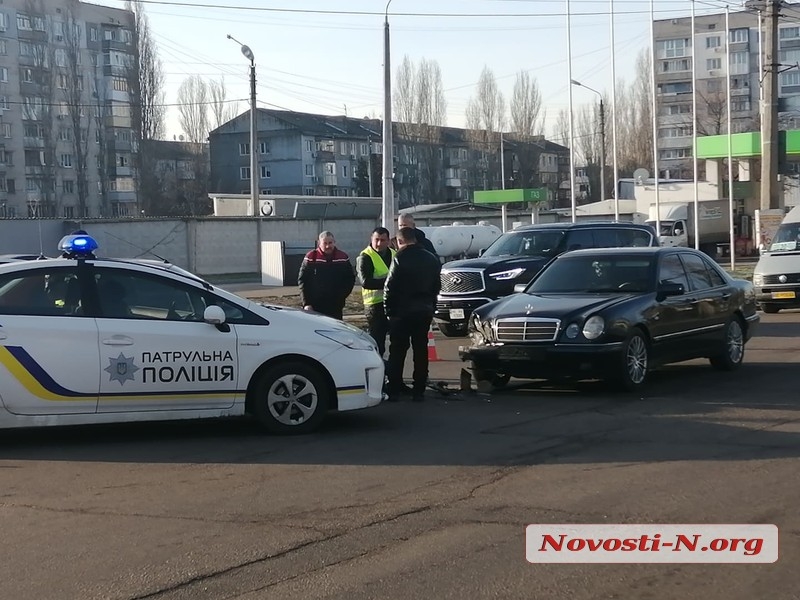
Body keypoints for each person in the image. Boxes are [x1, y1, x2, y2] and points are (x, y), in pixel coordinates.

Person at [383, 226, 442, 402]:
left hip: (401, 313)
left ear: (400, 241)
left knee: (397, 351)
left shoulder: (399, 258)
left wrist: (389, 311)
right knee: (421, 350)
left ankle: (394, 389)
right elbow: (436, 286)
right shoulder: (430, 258)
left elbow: (389, 287)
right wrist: (431, 305)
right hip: (423, 311)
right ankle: (419, 390)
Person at [356, 227, 395, 358]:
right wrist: (389, 282)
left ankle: (393, 374)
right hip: (374, 306)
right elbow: (366, 282)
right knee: (378, 342)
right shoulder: (365, 256)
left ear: (388, 241)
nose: (378, 244)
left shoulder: (394, 254)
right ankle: (378, 374)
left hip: (393, 302)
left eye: (382, 240)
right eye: (376, 240)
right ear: (371, 239)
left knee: (397, 342)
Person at [298, 231, 355, 320]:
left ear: (334, 242)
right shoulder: (311, 257)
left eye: (330, 243)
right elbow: (302, 281)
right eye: (325, 243)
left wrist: (341, 296)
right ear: (319, 243)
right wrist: (306, 303)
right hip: (314, 307)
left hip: (335, 306)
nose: (328, 246)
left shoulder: (343, 257)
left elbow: (350, 279)